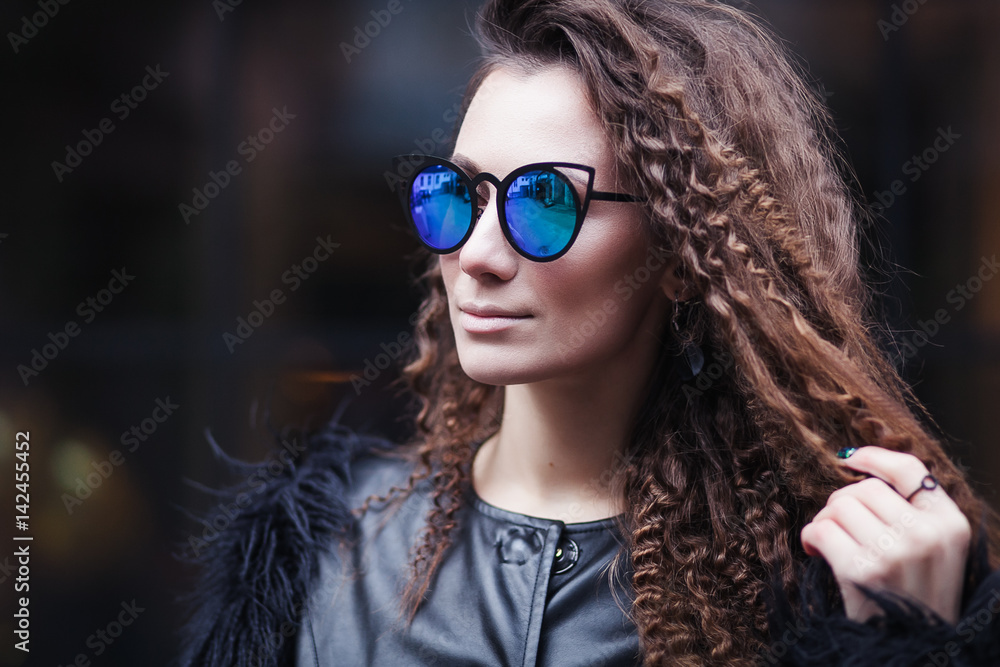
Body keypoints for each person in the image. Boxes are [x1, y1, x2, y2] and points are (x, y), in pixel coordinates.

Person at [177, 1, 1000, 665]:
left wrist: (908, 644)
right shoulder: (322, 552)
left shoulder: (817, 578)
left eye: (543, 200)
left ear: (680, 252)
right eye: (458, 195)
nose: (476, 254)